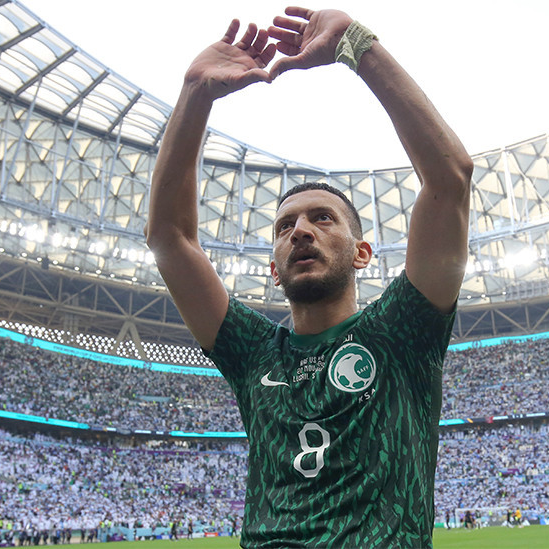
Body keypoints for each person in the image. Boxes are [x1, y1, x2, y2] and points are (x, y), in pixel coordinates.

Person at [146, 7, 472, 547]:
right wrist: (195, 93)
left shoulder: (403, 330)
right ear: (274, 270)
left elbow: (450, 178)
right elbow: (169, 237)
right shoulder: (252, 352)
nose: (300, 231)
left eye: (323, 218)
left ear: (363, 252)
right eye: (285, 226)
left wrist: (355, 44)